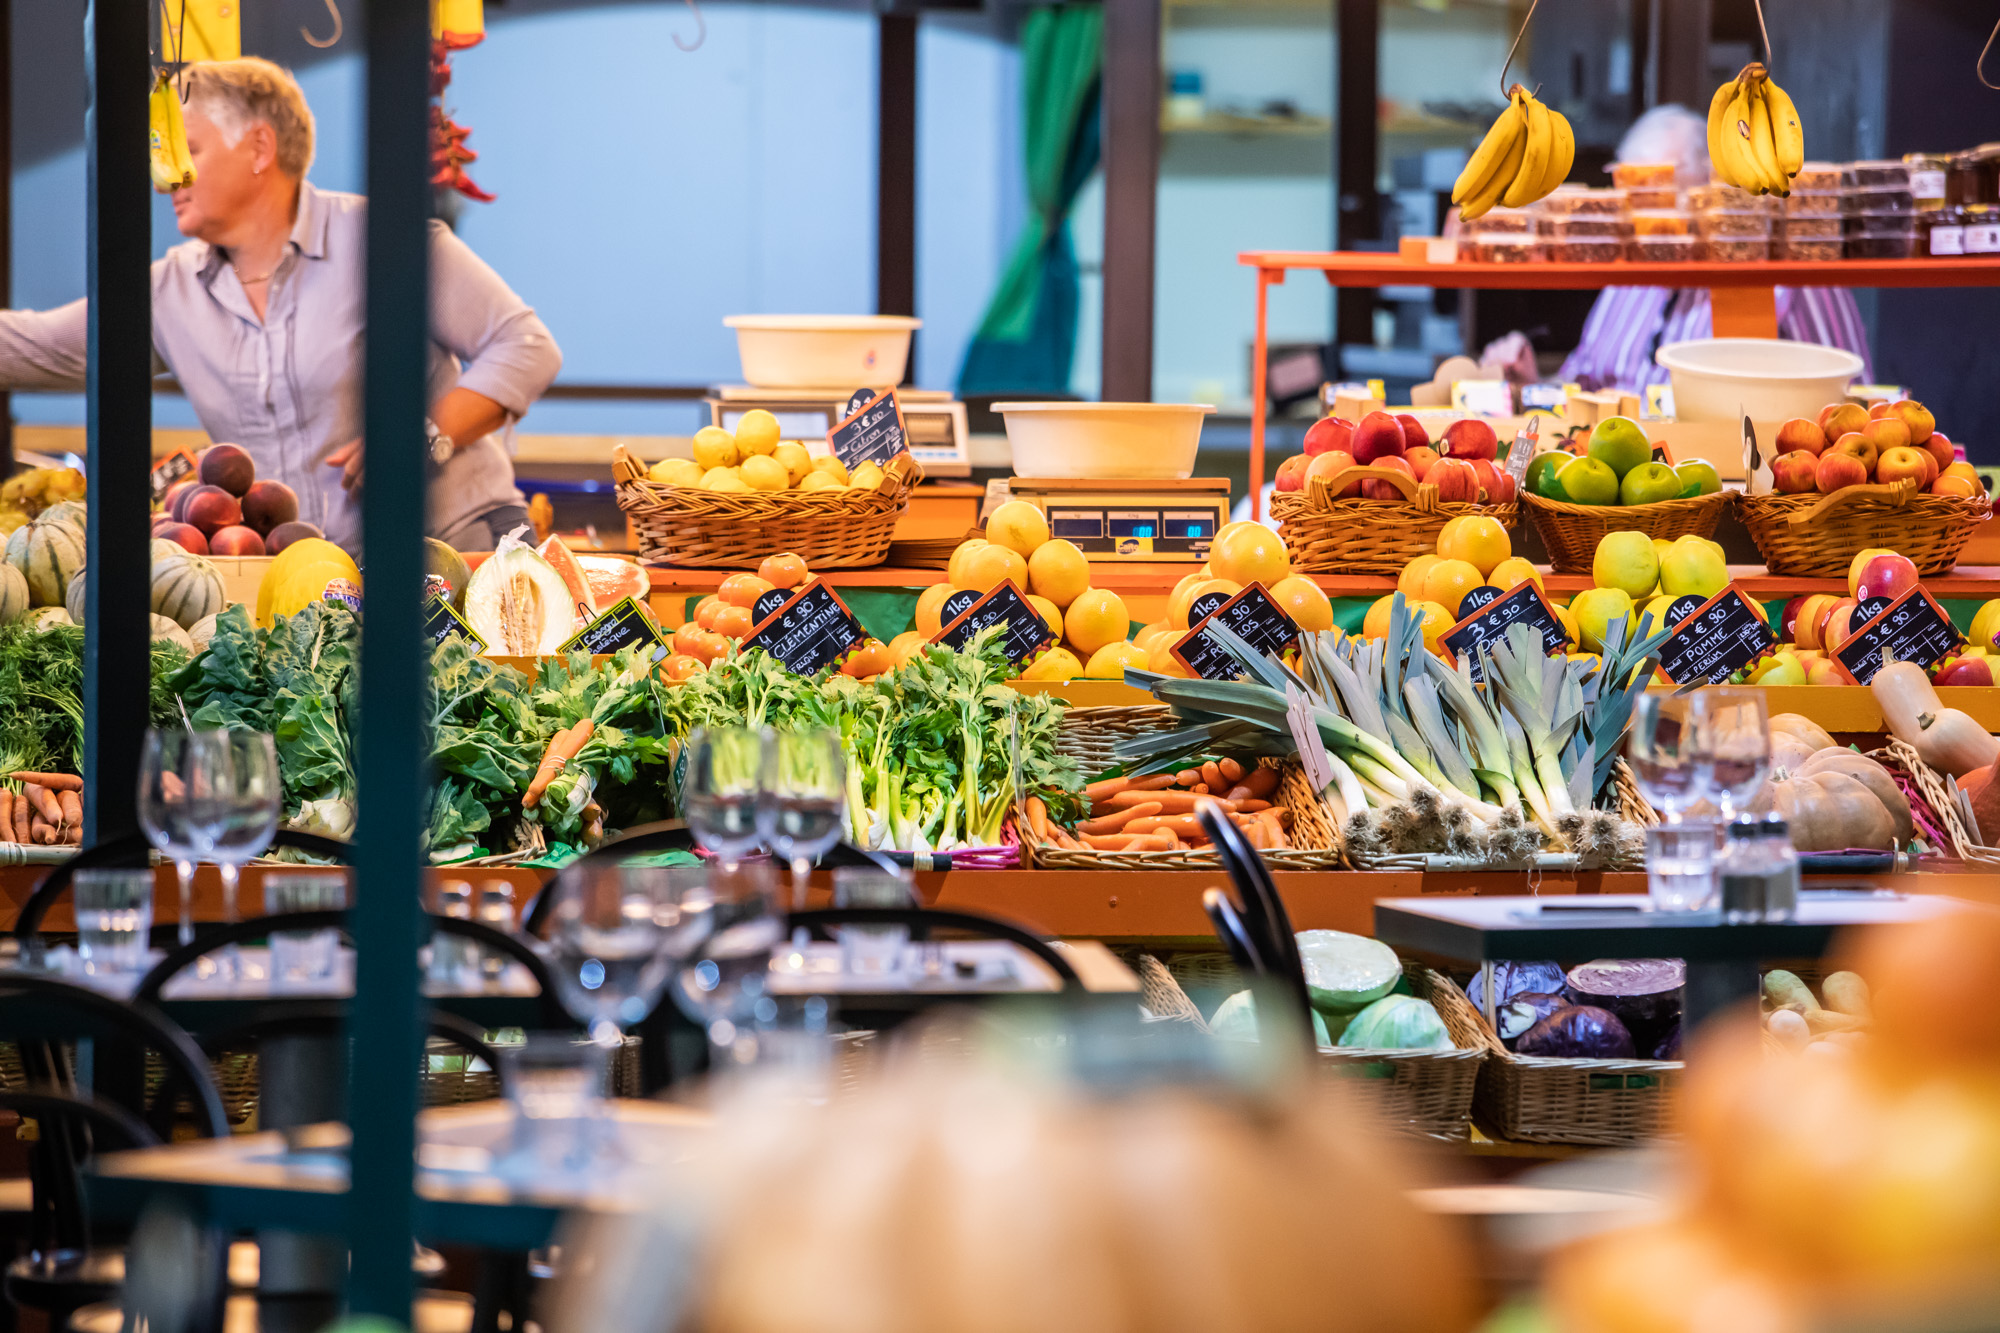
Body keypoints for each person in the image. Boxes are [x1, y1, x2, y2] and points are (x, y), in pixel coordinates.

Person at [0, 57, 561, 553]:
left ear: (260, 148)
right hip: (318, 588)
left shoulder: (381, 240)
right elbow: (25, 347)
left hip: (461, 552)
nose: (165, 177)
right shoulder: (168, 292)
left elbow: (526, 345)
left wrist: (422, 438)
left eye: (187, 149)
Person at [1559, 105, 1872, 392]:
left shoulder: (1786, 275)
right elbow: (1579, 378)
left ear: (1708, 179)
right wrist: (1526, 376)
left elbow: (1850, 399)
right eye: (1629, 187)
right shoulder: (1627, 275)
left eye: (1657, 184)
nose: (1646, 212)